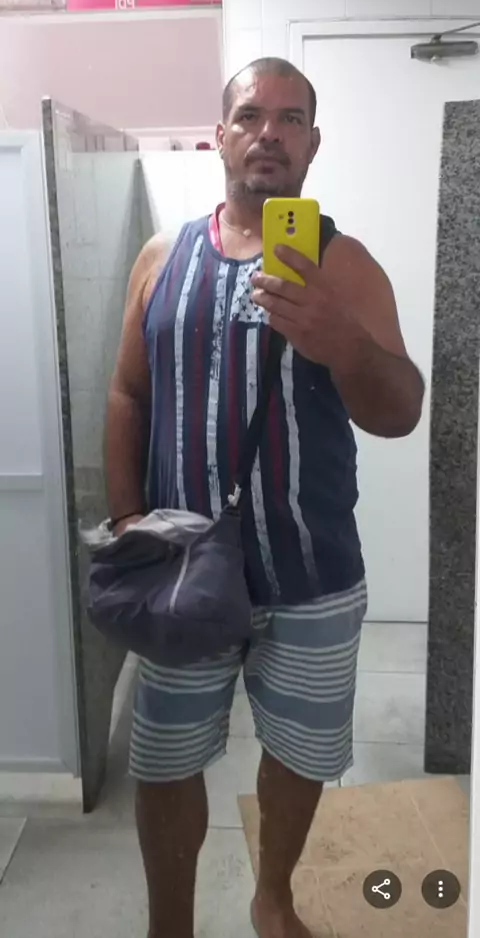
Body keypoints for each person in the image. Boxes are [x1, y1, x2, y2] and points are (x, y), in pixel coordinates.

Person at [105, 57, 424, 938]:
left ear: (313, 144)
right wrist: (128, 520)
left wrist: (344, 345)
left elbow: (401, 411)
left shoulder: (345, 266)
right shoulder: (161, 258)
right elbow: (126, 394)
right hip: (179, 572)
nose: (269, 133)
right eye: (250, 116)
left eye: (290, 119)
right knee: (165, 760)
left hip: (311, 573)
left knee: (300, 751)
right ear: (219, 136)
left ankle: (272, 896)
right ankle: (170, 924)